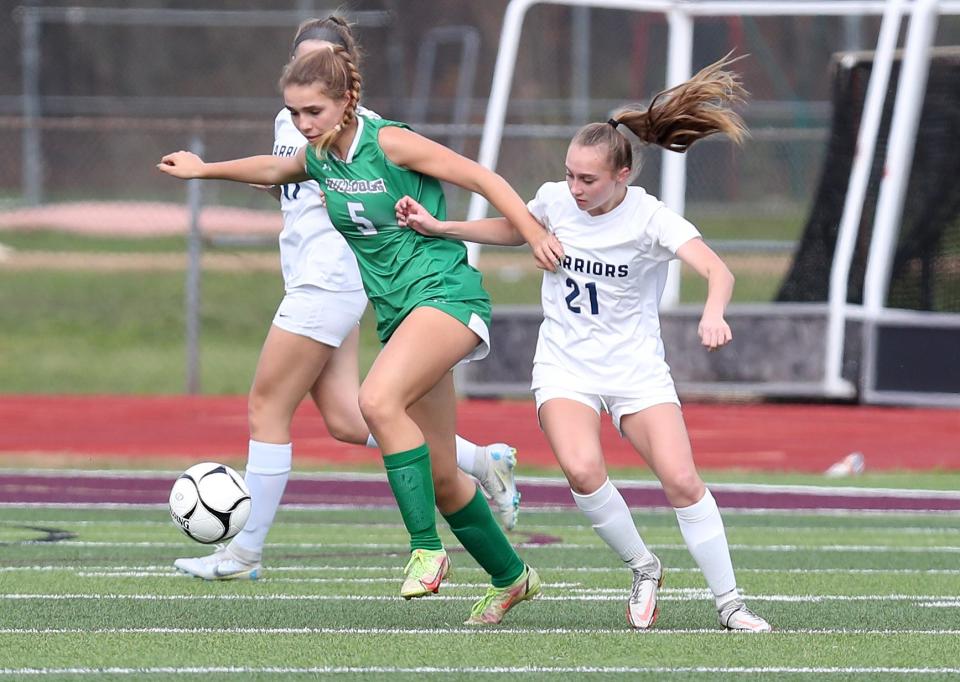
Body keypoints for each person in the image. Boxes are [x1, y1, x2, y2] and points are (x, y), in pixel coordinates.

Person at [158, 41, 563, 625]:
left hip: (446, 294)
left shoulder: (387, 140)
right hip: (399, 313)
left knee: (374, 400)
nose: (303, 125)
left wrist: (531, 233)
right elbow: (274, 168)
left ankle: (426, 550)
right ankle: (512, 577)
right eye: (294, 114)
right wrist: (203, 170)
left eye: (313, 113)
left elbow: (482, 177)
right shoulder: (321, 157)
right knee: (445, 477)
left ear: (347, 101)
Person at [396, 54, 772, 632]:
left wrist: (713, 314)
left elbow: (717, 271)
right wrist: (441, 226)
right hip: (566, 365)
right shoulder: (554, 199)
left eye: (587, 179)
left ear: (623, 176)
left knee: (681, 481)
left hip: (635, 369)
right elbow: (513, 227)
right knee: (581, 469)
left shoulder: (650, 218)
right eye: (569, 174)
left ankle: (731, 605)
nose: (573, 188)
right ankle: (643, 567)